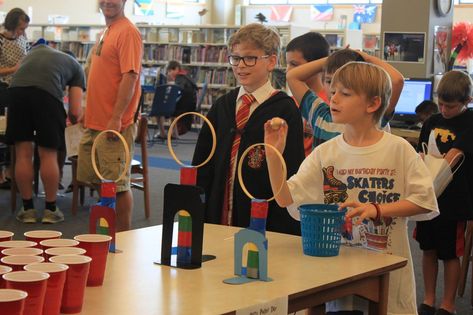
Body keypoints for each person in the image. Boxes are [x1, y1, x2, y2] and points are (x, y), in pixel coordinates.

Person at [264, 62, 439, 314]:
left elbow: (425, 201)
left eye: (344, 94)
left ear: (372, 104)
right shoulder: (326, 152)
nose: (333, 99)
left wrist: (377, 209)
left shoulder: (398, 149)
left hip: (387, 271)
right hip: (338, 273)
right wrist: (273, 155)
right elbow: (284, 198)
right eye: (332, 91)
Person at [192, 23, 305, 235]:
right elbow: (203, 162)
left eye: (250, 58)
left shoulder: (284, 109)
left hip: (264, 210)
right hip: (220, 205)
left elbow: (291, 166)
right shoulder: (223, 106)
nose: (240, 66)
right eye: (235, 58)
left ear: (271, 61)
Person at [77, 0, 143, 232]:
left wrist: (116, 118)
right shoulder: (108, 30)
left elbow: (130, 77)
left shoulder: (127, 32)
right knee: (96, 179)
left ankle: (122, 238)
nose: (108, 2)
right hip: (96, 121)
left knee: (117, 185)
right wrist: (87, 108)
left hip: (113, 124)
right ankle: (107, 233)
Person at [5, 39, 85, 223]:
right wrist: (75, 124)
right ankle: (50, 209)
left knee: (23, 153)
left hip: (16, 94)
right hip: (47, 96)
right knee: (48, 154)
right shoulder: (76, 68)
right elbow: (74, 111)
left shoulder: (30, 56)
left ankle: (27, 210)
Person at [415, 70, 473, 315]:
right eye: (441, 105)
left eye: (450, 106)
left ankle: (448, 303)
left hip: (454, 200)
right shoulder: (432, 121)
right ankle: (428, 298)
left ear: (466, 102)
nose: (445, 110)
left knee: (450, 252)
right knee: (428, 248)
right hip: (429, 197)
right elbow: (420, 152)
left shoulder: (470, 122)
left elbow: (454, 156)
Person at [286, 48, 404, 149]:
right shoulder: (319, 114)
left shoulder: (372, 118)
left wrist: (366, 58)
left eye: (345, 86)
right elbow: (292, 76)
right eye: (329, 81)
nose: (334, 90)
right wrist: (333, 58)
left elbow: (397, 81)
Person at [285, 32, 330, 156]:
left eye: (294, 64)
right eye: (287, 64)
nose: (288, 70)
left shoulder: (330, 103)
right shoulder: (289, 102)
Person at [0, 8, 30, 189]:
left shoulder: (22, 38)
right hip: (3, 89)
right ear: (11, 25)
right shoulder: (0, 40)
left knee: (16, 132)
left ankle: (12, 173)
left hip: (20, 88)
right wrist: (14, 69)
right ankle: (1, 175)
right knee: (2, 134)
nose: (22, 32)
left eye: (24, 29)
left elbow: (26, 57)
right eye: (20, 28)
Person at [156, 60, 197, 139]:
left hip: (183, 108)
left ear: (176, 69)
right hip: (189, 106)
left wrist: (170, 82)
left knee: (159, 110)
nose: (168, 74)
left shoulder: (179, 78)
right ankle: (174, 133)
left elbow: (175, 92)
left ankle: (162, 133)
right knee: (171, 107)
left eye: (169, 71)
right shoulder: (186, 76)